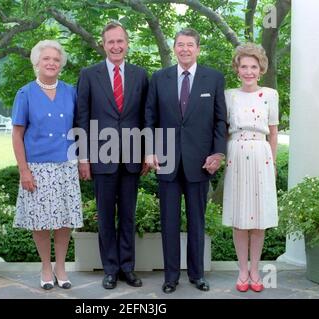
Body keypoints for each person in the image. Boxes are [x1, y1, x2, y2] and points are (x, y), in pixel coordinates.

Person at [145, 28, 227, 294]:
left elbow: (219, 121)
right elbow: (150, 119)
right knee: (169, 222)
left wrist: (218, 153)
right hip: (166, 162)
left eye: (190, 45)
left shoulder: (214, 78)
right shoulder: (159, 78)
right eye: (180, 45)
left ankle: (197, 274)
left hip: (199, 163)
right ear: (174, 48)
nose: (185, 49)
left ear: (198, 49)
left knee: (196, 222)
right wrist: (150, 150)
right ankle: (170, 277)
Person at [76, 21, 149, 289]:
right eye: (110, 42)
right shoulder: (89, 74)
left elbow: (145, 117)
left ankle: (127, 268)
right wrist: (83, 158)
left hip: (132, 157)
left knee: (128, 215)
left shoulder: (140, 75)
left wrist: (146, 152)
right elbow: (82, 117)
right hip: (100, 158)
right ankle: (110, 269)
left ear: (127, 43)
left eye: (120, 41)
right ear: (103, 44)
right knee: (106, 216)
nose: (116, 46)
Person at [11, 40, 83, 290]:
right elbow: (17, 135)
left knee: (64, 221)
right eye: (46, 59)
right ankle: (45, 266)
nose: (51, 63)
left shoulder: (71, 92)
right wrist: (24, 171)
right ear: (37, 63)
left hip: (65, 165)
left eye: (55, 59)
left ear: (61, 64)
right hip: (37, 168)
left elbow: (79, 128)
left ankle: (61, 267)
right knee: (40, 222)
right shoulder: (25, 93)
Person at [222, 43, 278, 293]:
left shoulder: (270, 95)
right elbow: (222, 132)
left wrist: (273, 163)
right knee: (239, 217)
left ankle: (255, 270)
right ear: (237, 68)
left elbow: (274, 132)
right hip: (236, 154)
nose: (248, 71)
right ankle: (242, 271)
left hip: (261, 155)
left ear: (261, 68)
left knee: (258, 219)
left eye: (253, 66)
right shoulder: (228, 95)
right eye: (244, 66)